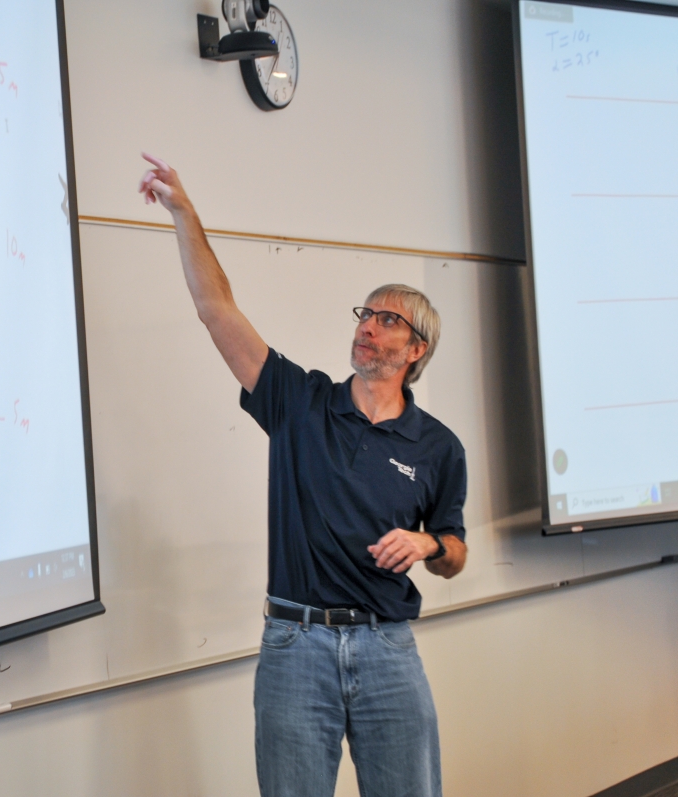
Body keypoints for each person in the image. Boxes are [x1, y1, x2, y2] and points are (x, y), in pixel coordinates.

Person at [138, 153, 468, 797]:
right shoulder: (301, 401)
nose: (367, 327)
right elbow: (217, 310)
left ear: (417, 349)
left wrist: (428, 543)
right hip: (296, 645)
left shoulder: (438, 447)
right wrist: (184, 212)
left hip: (387, 650)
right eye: (364, 316)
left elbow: (454, 553)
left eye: (387, 320)